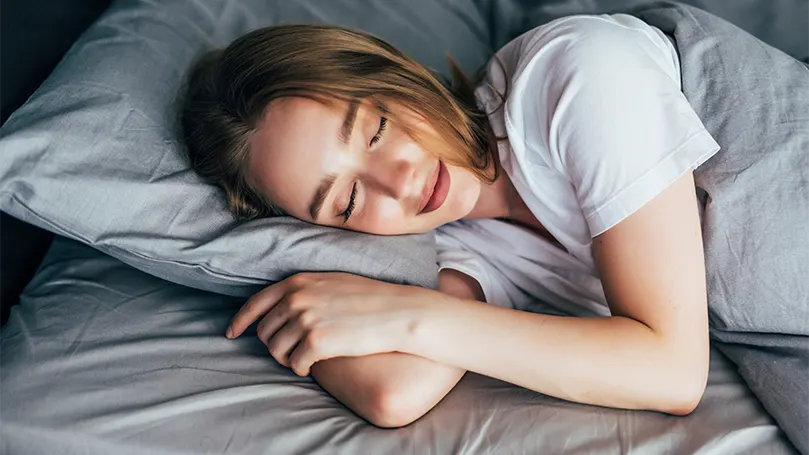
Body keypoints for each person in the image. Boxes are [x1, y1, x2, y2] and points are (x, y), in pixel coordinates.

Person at [180, 14, 721, 428]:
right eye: (346, 202)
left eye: (376, 130)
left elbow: (673, 371)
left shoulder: (578, 72)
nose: (399, 182)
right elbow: (394, 391)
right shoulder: (465, 244)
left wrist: (411, 316)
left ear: (395, 72)